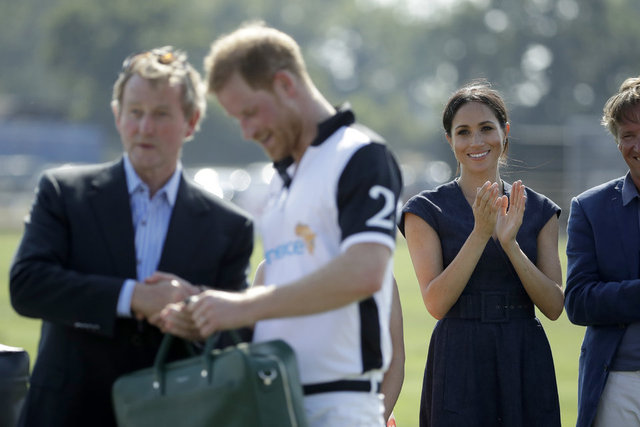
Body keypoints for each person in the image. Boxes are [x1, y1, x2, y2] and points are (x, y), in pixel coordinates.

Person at [155, 22, 404, 426]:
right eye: (237, 119)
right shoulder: (280, 179)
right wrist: (204, 310)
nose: (247, 131)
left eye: (250, 112)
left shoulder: (360, 154)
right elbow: (281, 296)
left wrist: (241, 307)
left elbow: (365, 272)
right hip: (273, 398)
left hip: (338, 405)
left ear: (286, 84)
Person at [9, 46, 254, 427]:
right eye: (135, 112)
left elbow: (238, 336)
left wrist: (198, 315)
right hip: (67, 415)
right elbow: (28, 286)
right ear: (117, 115)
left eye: (161, 114)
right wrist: (132, 297)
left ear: (191, 121)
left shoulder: (230, 226)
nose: (145, 128)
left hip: (173, 417)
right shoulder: (63, 193)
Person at [399, 80, 564, 426]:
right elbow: (436, 303)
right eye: (463, 132)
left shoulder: (540, 209)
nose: (476, 141)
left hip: (523, 356)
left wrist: (510, 244)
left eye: (486, 128)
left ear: (505, 132)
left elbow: (553, 306)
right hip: (458, 358)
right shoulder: (425, 210)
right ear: (450, 140)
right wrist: (480, 233)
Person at [565, 75, 640, 427]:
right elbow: (577, 301)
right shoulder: (590, 208)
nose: (637, 145)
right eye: (628, 135)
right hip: (617, 384)